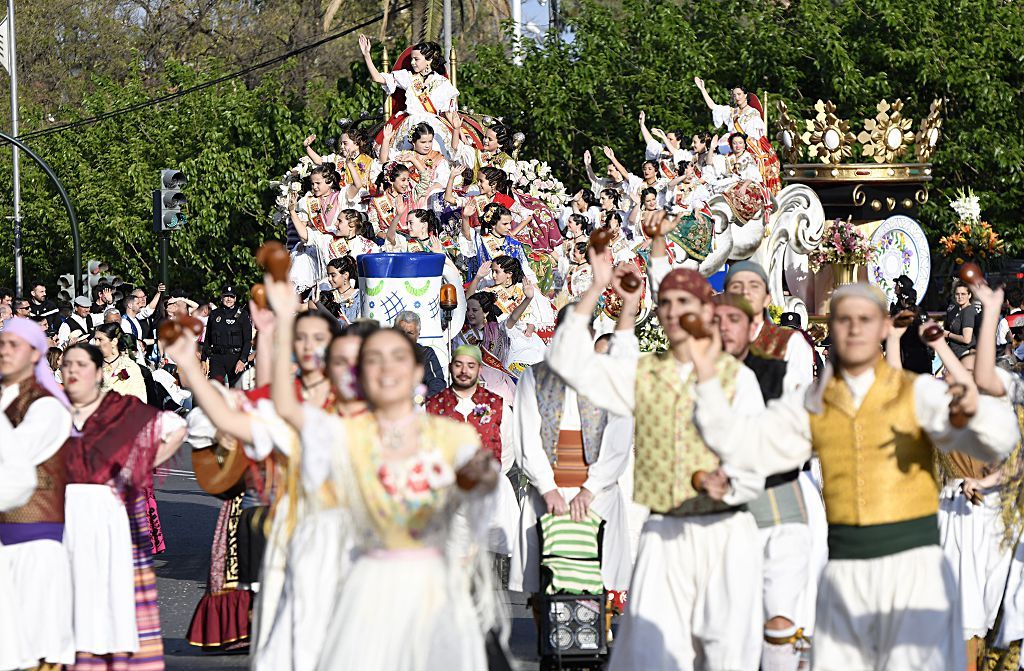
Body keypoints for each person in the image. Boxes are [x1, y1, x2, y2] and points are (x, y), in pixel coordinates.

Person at [690, 283, 1020, 670]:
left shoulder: (918, 393)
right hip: (844, 574)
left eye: (864, 320)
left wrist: (975, 410)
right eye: (844, 320)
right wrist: (707, 373)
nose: (854, 330)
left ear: (883, 327)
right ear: (831, 330)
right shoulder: (814, 401)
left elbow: (999, 439)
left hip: (913, 577)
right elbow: (749, 445)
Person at [264, 275, 502, 670]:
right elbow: (287, 408)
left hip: (430, 583)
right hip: (370, 582)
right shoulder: (349, 433)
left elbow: (481, 481)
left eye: (399, 362)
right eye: (376, 362)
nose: (388, 371)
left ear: (416, 376)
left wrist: (477, 478)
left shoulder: (448, 432)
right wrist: (282, 324)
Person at [546, 250, 767, 670]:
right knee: (651, 658)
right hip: (664, 533)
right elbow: (567, 363)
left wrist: (733, 484)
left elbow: (754, 458)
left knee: (725, 657)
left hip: (724, 533)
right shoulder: (646, 372)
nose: (671, 312)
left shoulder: (739, 378)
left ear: (707, 310)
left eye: (683, 302)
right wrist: (602, 292)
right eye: (664, 303)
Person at [59, 342, 187, 668]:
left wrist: (138, 464)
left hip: (105, 511)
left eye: (81, 365)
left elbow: (174, 426)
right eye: (66, 365)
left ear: (99, 373)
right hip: (65, 515)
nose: (72, 371)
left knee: (110, 596)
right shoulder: (52, 409)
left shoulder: (117, 407)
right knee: (69, 601)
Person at [510, 306, 636, 600]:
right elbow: (527, 436)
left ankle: (600, 635)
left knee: (598, 574)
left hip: (597, 493)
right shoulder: (535, 376)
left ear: (591, 335)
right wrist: (547, 487)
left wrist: (590, 489)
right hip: (548, 493)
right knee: (545, 578)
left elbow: (618, 439)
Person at [0, 318, 75, 670]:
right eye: (2, 342)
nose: (4, 350)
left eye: (14, 344)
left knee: (36, 647)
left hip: (33, 544)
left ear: (35, 354)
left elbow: (14, 459)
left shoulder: (47, 408)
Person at [425, 345, 518, 556]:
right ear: (450, 368)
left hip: (489, 492)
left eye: (470, 366)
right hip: (449, 493)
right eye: (459, 365)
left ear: (479, 369)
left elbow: (509, 446)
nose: (464, 371)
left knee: (489, 556)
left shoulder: (497, 405)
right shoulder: (433, 407)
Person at [695, 76, 782, 194]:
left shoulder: (752, 113)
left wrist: (736, 142)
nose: (737, 97)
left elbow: (752, 135)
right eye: (735, 95)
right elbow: (714, 107)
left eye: (739, 94)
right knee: (712, 156)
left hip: (744, 144)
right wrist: (702, 89)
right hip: (729, 143)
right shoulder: (732, 111)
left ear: (745, 95)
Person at [302, 127, 376, 210]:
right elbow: (318, 160)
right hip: (340, 201)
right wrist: (307, 147)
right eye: (341, 144)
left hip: (360, 203)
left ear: (357, 143)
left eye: (345, 143)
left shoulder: (369, 161)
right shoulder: (337, 158)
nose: (342, 146)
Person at [203, 286, 253, 387]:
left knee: (237, 391)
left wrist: (243, 360)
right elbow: (207, 338)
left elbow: (248, 340)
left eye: (231, 296)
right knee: (215, 390)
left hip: (236, 358)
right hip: (217, 358)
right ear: (221, 297)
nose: (229, 299)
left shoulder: (242, 315)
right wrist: (203, 359)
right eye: (226, 296)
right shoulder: (214, 314)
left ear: (235, 298)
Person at [394, 310, 446, 400]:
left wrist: (421, 403)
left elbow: (437, 383)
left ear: (418, 335)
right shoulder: (384, 354)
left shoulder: (426, 353)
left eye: (410, 333)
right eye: (401, 332)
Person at [94, 322, 149, 403]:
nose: (96, 343)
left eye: (100, 339)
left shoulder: (130, 368)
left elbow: (140, 400)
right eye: (95, 339)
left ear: (114, 341)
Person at [319, 256, 362, 325]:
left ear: (345, 275)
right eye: (328, 275)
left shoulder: (359, 296)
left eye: (333, 275)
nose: (329, 279)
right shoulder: (328, 296)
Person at [945, 280, 978, 359]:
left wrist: (948, 334)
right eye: (957, 294)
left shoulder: (968, 311)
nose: (960, 297)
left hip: (963, 356)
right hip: (956, 355)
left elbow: (966, 339)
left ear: (969, 295)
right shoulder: (960, 310)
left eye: (963, 294)